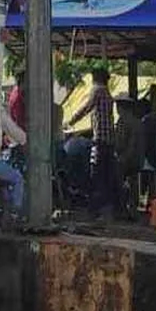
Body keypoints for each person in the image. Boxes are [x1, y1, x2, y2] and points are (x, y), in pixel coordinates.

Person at [68, 67, 116, 216]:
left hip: (100, 139)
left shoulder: (97, 90)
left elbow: (86, 108)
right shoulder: (107, 93)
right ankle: (106, 205)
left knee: (96, 172)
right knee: (105, 172)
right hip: (108, 138)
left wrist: (71, 120)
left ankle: (95, 207)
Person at [0, 106, 28, 217]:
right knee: (18, 179)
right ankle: (15, 213)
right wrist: (25, 138)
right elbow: (15, 132)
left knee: (5, 181)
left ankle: (4, 209)